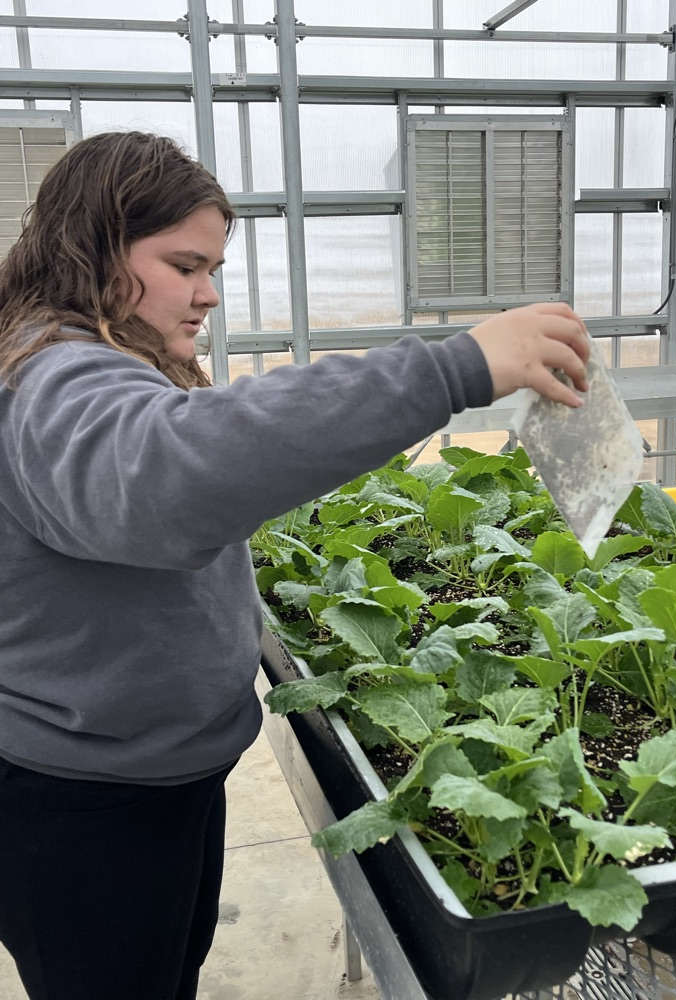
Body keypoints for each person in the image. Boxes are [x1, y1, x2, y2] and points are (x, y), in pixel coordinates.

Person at [0, 130, 590, 1000]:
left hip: (142, 775)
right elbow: (170, 473)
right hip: (81, 802)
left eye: (213, 269)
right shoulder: (55, 377)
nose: (207, 293)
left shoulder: (91, 356)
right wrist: (451, 369)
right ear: (90, 250)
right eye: (184, 265)